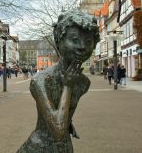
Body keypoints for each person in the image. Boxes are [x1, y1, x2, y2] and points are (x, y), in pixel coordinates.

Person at [17, 10, 99, 152]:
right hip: (39, 148)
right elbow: (58, 130)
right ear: (58, 42)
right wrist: (67, 86)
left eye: (88, 41)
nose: (82, 47)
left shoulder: (83, 83)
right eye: (74, 40)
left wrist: (69, 123)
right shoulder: (40, 80)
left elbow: (64, 120)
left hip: (64, 148)